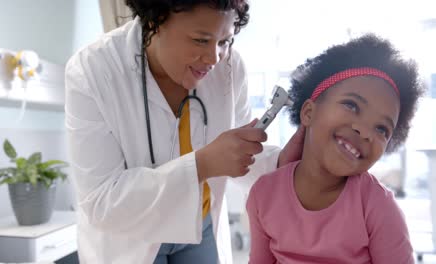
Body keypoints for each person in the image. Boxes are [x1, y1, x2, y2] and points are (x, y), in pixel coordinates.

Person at [65, 0, 303, 263]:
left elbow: (241, 151)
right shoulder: (93, 70)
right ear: (155, 20)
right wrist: (203, 164)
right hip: (130, 238)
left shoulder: (230, 67)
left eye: (225, 41)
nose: (215, 58)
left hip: (200, 225)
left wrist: (282, 162)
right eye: (201, 40)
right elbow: (101, 201)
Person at [246, 34, 424, 264]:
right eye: (352, 105)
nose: (365, 131)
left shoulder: (378, 207)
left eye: (381, 129)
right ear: (309, 112)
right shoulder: (264, 194)